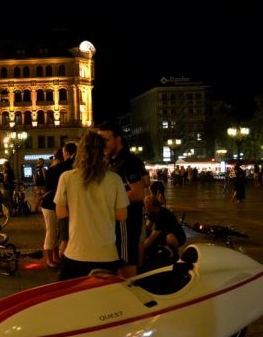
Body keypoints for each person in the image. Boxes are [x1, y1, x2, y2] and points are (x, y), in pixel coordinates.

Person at [54, 131, 129, 281]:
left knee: (68, 298)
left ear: (80, 152)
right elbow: (122, 215)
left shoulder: (67, 178)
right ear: (104, 152)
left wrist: (79, 211)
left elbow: (61, 212)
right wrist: (102, 212)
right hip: (107, 255)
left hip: (76, 253)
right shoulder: (114, 179)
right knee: (102, 300)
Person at [97, 120, 150, 279]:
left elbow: (138, 193)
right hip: (116, 222)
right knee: (118, 261)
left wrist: (109, 201)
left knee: (126, 263)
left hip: (127, 221)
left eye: (106, 140)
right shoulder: (110, 161)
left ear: (118, 139)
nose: (102, 145)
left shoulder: (129, 161)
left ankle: (131, 296)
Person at [141, 195, 186, 268]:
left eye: (147, 207)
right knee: (146, 235)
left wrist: (141, 250)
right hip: (164, 234)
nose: (146, 208)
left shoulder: (163, 214)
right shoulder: (152, 212)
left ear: (154, 206)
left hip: (177, 236)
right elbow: (147, 227)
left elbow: (152, 237)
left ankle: (176, 255)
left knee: (169, 238)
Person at [40, 148, 64, 268]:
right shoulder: (58, 169)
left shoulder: (52, 168)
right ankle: (49, 259)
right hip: (50, 203)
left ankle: (55, 256)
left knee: (55, 231)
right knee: (52, 231)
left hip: (52, 201)